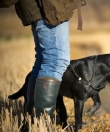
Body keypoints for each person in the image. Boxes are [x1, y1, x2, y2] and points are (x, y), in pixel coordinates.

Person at [0, 0, 86, 131]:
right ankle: (42, 125)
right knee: (55, 61)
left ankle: (33, 124)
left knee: (44, 60)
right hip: (49, 7)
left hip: (44, 7)